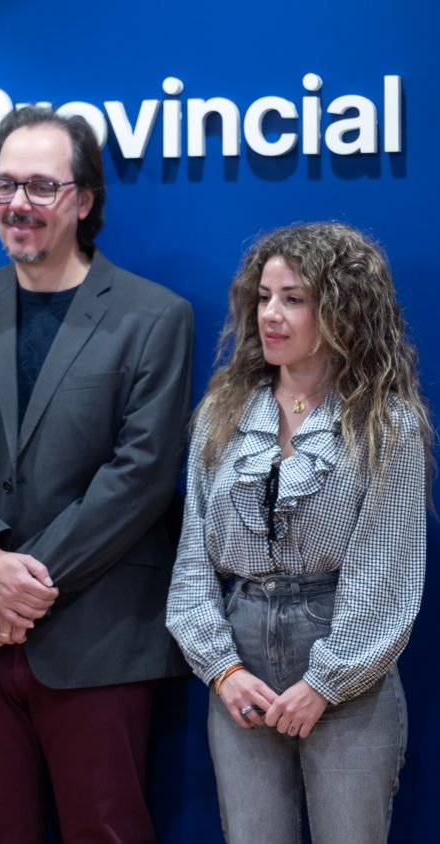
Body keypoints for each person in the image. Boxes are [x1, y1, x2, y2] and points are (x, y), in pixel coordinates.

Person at [0, 106, 193, 843]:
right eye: (3, 185)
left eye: (40, 186)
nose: (18, 204)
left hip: (99, 641)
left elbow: (143, 473)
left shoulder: (154, 316)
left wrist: (22, 587)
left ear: (83, 199)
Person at [166, 222, 428, 843]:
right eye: (263, 297)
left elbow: (384, 572)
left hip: (345, 662)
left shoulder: (384, 424)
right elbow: (193, 560)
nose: (271, 316)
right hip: (241, 661)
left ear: (343, 308)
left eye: (295, 298)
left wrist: (326, 682)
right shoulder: (222, 414)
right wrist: (221, 668)